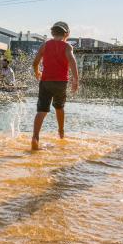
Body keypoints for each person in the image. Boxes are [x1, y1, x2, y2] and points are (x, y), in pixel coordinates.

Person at [31, 21, 79, 151]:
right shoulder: (67, 46)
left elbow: (35, 63)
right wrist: (76, 80)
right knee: (59, 107)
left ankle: (35, 137)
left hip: (45, 82)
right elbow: (73, 63)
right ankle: (61, 132)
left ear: (52, 33)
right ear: (67, 34)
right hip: (61, 83)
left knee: (41, 110)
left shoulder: (45, 45)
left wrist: (37, 72)